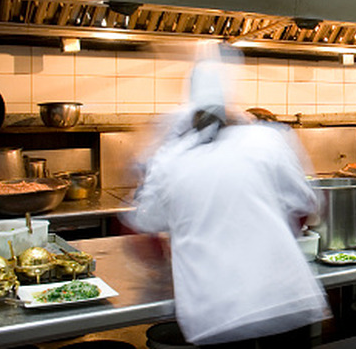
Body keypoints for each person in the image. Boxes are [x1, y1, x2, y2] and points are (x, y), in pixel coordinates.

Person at [124, 48, 329, 347]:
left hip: (219, 315)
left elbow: (142, 233)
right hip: (286, 302)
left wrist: (165, 271)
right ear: (232, 105)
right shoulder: (267, 139)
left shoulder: (170, 159)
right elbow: (305, 206)